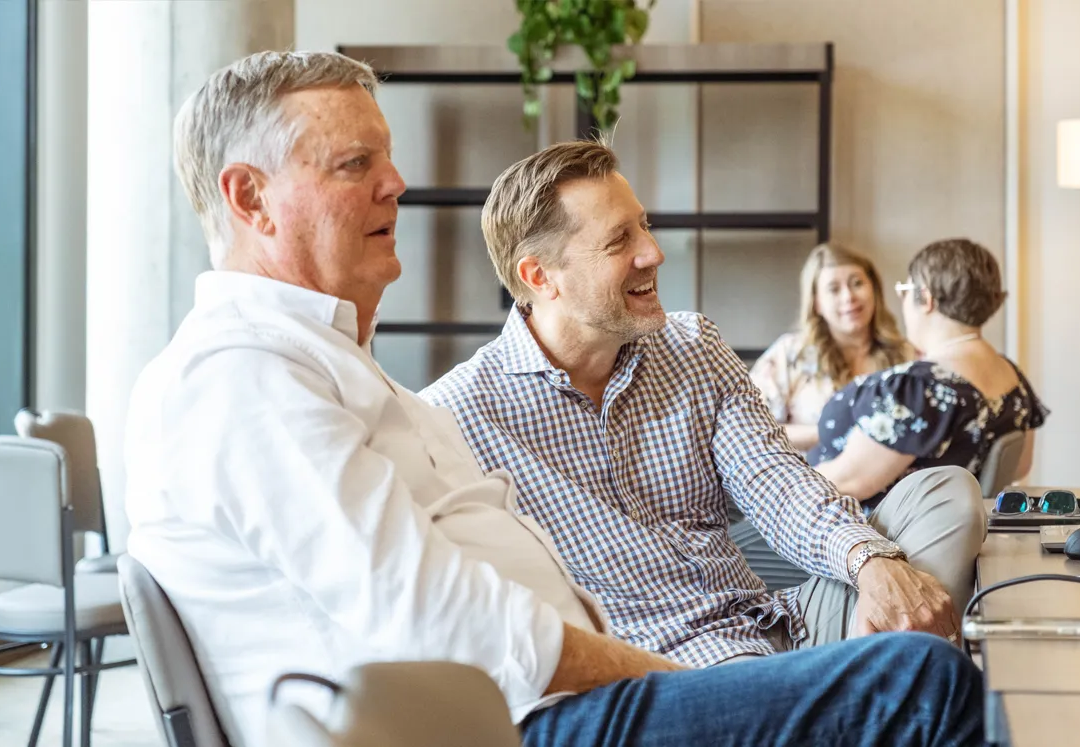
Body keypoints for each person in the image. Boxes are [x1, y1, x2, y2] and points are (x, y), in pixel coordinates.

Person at [123, 50, 984, 747]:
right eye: (356, 164)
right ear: (250, 198)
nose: (397, 185)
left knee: (932, 542)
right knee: (920, 679)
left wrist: (862, 567)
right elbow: (435, 619)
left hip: (608, 679)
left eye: (388, 160)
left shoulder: (333, 368)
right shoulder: (245, 377)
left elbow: (773, 484)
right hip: (547, 713)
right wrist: (685, 685)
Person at [421, 138, 988, 670]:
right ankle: (867, 683)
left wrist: (872, 563)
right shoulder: (453, 416)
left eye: (644, 226)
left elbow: (777, 483)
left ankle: (860, 681)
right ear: (540, 276)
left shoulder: (692, 346)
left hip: (778, 624)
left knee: (947, 493)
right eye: (620, 240)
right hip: (672, 671)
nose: (653, 253)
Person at [810, 238, 1049, 508]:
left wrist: (777, 480)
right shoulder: (1012, 377)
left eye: (904, 290)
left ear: (925, 298)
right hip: (955, 534)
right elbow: (1019, 466)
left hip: (874, 542)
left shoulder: (918, 387)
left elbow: (850, 482)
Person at [750, 243, 912, 452]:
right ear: (816, 302)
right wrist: (828, 433)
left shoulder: (906, 355)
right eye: (834, 289)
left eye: (857, 283)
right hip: (807, 480)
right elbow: (752, 428)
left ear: (874, 289)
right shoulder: (790, 353)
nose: (848, 297)